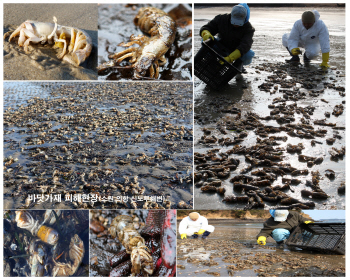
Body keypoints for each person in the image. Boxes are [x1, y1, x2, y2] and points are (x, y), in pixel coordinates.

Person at [200, 3, 255, 67]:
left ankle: (238, 65)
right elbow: (208, 27)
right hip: (220, 45)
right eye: (234, 22)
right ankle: (211, 62)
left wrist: (230, 58)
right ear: (231, 16)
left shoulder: (249, 29)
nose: (236, 25)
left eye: (239, 23)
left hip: (236, 50)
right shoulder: (222, 19)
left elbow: (245, 45)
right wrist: (206, 33)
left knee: (249, 55)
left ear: (245, 19)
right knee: (204, 41)